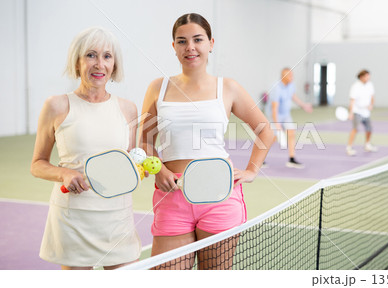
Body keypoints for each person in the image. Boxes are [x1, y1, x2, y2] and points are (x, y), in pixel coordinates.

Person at [140, 13, 274, 269]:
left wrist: (252, 170)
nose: (190, 47)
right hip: (172, 196)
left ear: (211, 43)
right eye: (182, 41)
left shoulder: (229, 88)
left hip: (219, 196)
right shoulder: (158, 88)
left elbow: (265, 130)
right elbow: (145, 142)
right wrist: (157, 168)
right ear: (174, 47)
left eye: (197, 39)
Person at [30, 27, 141, 270]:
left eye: (107, 56)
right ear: (77, 62)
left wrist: (143, 168)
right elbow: (37, 164)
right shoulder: (57, 106)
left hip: (117, 220)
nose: (99, 64)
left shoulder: (128, 109)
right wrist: (64, 173)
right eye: (91, 55)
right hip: (73, 221)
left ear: (114, 65)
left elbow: (129, 165)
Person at [265, 67, 313, 168]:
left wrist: (303, 105)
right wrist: (277, 124)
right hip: (274, 114)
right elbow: (274, 107)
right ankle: (260, 160)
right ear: (283, 77)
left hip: (286, 114)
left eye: (292, 75)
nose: (292, 77)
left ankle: (291, 159)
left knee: (291, 132)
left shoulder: (291, 85)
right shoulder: (276, 88)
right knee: (272, 138)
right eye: (290, 75)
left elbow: (293, 96)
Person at [346, 69, 377, 156]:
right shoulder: (355, 86)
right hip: (357, 111)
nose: (368, 78)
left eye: (369, 76)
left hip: (366, 112)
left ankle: (367, 144)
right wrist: (351, 112)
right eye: (367, 76)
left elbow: (372, 96)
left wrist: (371, 105)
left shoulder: (370, 85)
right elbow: (352, 100)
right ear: (362, 77)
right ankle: (349, 147)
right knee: (355, 129)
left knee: (369, 129)